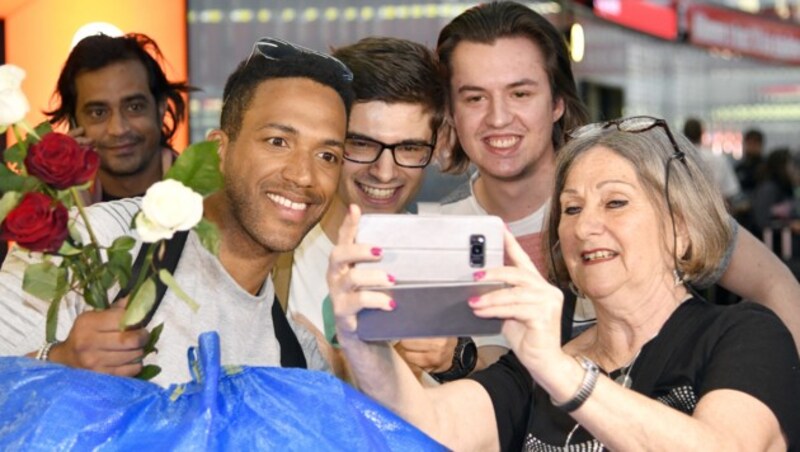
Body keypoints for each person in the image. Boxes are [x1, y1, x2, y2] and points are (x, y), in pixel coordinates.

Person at [328, 116, 800, 450]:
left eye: (614, 203)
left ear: (680, 229)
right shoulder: (538, 360)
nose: (584, 226)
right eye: (571, 209)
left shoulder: (745, 336)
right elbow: (429, 424)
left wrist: (560, 372)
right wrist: (362, 339)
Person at [421, 1, 800, 356]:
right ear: (451, 111)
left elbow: (775, 284)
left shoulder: (641, 198)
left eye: (520, 93)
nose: (499, 118)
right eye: (474, 99)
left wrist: (763, 405)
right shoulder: (437, 235)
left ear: (557, 103)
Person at [0, 37, 355, 387]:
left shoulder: (297, 362)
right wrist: (61, 361)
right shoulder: (92, 244)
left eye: (327, 156)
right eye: (278, 142)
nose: (303, 175)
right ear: (220, 148)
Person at [280, 37, 466, 382]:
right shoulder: (279, 255)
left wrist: (455, 358)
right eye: (362, 144)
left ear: (437, 144)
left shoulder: (445, 263)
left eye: (409, 148)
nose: (384, 171)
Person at [45, 33, 193, 203]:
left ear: (161, 108)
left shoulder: (212, 202)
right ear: (74, 122)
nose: (118, 129)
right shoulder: (54, 214)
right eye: (98, 113)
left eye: (134, 107)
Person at [682, 117, 742, 208]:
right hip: (715, 211)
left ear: (683, 134)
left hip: (685, 210)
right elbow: (730, 191)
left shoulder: (675, 159)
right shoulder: (718, 159)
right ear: (701, 133)